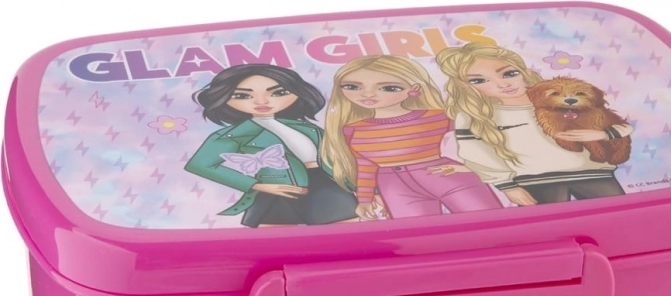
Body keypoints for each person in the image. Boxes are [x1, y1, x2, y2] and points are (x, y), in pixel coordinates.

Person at [435, 42, 633, 205]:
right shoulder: (475, 114)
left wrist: (603, 134)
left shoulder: (561, 97)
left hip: (595, 174)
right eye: (478, 81)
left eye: (509, 74)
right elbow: (477, 153)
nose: (503, 84)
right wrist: (507, 186)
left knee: (619, 220)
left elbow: (614, 122)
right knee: (549, 231)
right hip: (535, 181)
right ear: (463, 85)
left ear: (523, 71)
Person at [320, 55, 503, 220]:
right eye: (352, 87)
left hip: (448, 176)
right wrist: (365, 199)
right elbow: (366, 166)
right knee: (419, 236)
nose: (368, 94)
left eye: (389, 88)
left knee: (489, 223)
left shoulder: (440, 116)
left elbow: (480, 141)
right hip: (394, 185)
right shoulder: (353, 129)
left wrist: (470, 167)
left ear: (414, 89)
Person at [186, 64, 358, 227]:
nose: (261, 101)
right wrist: (256, 185)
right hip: (277, 188)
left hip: (326, 184)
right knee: (275, 241)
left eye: (279, 92)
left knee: (346, 234)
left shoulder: (306, 127)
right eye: (242, 96)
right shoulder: (233, 135)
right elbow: (200, 165)